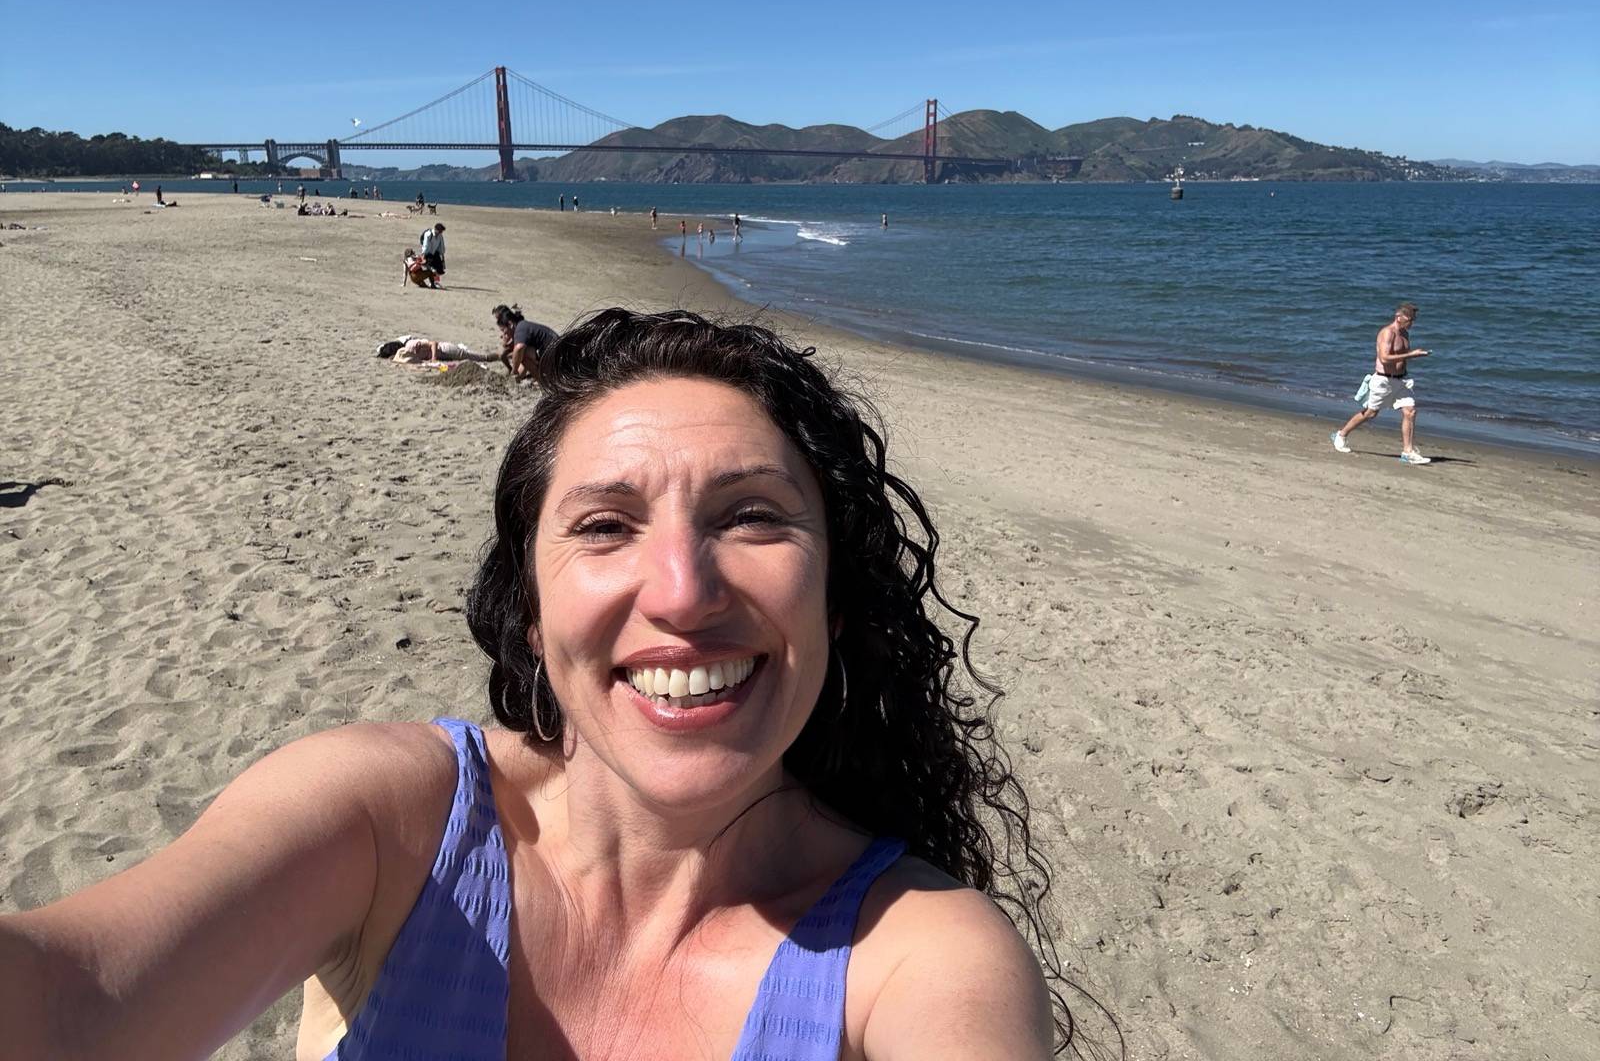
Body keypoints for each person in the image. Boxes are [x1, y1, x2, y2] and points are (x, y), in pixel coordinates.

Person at [0, 308, 1085, 1059]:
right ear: (530, 606)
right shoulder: (387, 825)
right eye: (606, 526)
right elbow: (72, 1003)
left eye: (752, 515)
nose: (681, 590)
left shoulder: (920, 957)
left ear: (834, 601)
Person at [1332, 301, 1433, 464]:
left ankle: (1408, 451)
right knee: (1371, 413)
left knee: (1410, 411)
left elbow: (1402, 355)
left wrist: (1415, 355)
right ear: (1399, 317)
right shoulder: (1387, 333)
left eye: (1413, 320)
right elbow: (1385, 358)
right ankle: (1341, 434)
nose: (1412, 323)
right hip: (1383, 380)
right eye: (1409, 320)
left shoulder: (1405, 334)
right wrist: (1411, 355)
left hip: (1401, 381)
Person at [493, 303, 558, 382]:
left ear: (510, 324)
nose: (503, 334)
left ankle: (542, 382)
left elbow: (519, 349)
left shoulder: (520, 329)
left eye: (504, 330)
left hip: (554, 356)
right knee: (521, 354)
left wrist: (514, 370)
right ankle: (542, 378)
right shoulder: (521, 326)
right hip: (553, 351)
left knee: (521, 353)